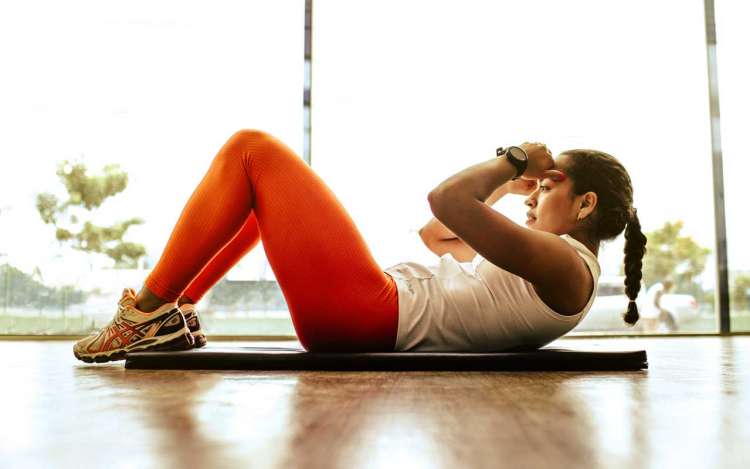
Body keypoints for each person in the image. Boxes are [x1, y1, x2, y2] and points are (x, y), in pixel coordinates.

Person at [73, 130, 647, 362]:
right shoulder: (546, 265)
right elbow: (439, 234)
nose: (532, 196)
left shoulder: (567, 266)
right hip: (370, 306)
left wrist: (513, 159)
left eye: (548, 187)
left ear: (586, 206)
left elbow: (445, 199)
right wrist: (507, 181)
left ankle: (144, 311)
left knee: (251, 151)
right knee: (255, 197)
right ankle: (172, 311)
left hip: (367, 311)